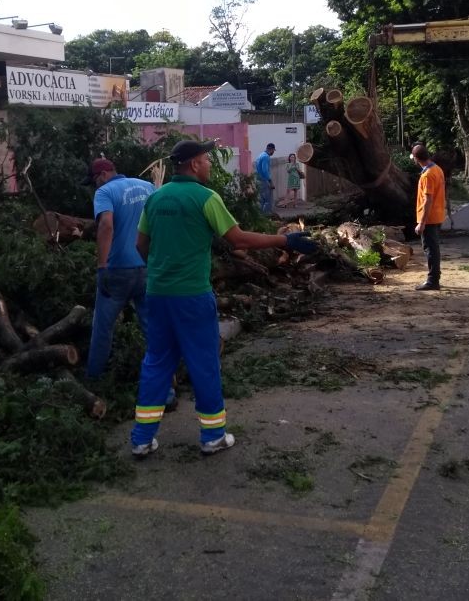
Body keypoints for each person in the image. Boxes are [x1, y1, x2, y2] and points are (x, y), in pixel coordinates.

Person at [130, 139, 318, 458]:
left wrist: (166, 266)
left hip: (158, 294)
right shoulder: (206, 198)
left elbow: (140, 246)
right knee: (203, 363)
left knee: (157, 362)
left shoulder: (156, 198)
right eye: (206, 160)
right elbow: (238, 239)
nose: (209, 165)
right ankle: (213, 436)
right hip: (192, 296)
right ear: (193, 165)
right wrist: (285, 240)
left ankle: (141, 439)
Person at [83, 157, 155, 380]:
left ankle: (94, 382)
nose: (95, 185)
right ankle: (164, 385)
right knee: (152, 329)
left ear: (103, 174)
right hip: (146, 268)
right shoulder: (148, 187)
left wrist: (102, 266)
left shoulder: (105, 192)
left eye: (94, 180)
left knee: (103, 327)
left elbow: (106, 225)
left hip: (118, 270)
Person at [411, 143, 446, 291]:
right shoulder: (437, 169)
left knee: (430, 249)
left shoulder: (427, 175)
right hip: (437, 215)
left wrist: (422, 223)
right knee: (434, 248)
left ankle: (433, 281)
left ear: (416, 159)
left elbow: (428, 199)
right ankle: (435, 276)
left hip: (429, 218)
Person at [254, 143, 276, 214]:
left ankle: (260, 217)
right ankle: (267, 217)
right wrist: (270, 181)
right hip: (264, 180)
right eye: (273, 151)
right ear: (271, 149)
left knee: (261, 200)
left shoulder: (260, 155)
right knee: (267, 200)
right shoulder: (266, 157)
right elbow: (265, 170)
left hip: (258, 179)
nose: (273, 152)